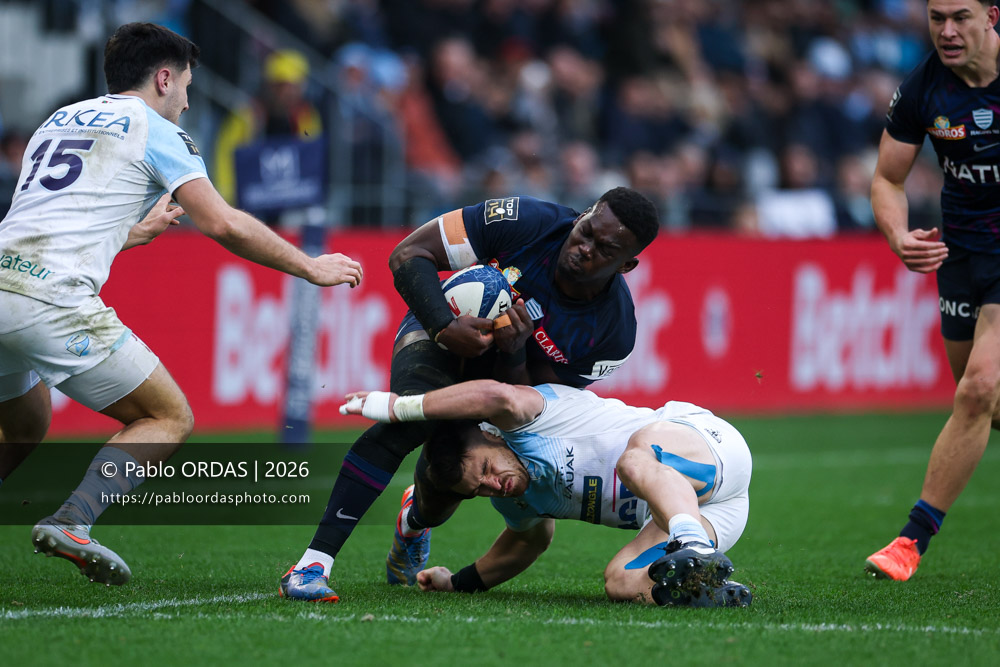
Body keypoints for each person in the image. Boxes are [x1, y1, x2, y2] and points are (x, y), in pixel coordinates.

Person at [0, 23, 362, 587]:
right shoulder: (157, 129)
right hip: (50, 298)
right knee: (168, 417)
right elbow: (222, 223)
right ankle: (73, 520)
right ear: (164, 79)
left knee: (27, 420)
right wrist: (309, 266)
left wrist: (129, 233)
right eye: (187, 86)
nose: (189, 102)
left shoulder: (58, 119)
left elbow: (50, 222)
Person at [280, 187, 659, 602]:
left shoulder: (613, 334)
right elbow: (408, 254)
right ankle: (312, 565)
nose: (585, 248)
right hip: (443, 330)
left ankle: (413, 522)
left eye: (605, 250)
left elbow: (534, 404)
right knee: (408, 425)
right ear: (582, 216)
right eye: (585, 232)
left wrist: (513, 352)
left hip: (509, 384)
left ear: (627, 265)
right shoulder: (524, 221)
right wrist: (444, 326)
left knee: (448, 485)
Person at [339, 379, 753, 608]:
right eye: (478, 490)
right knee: (621, 582)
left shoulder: (532, 420)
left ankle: (694, 547)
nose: (493, 485)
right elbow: (526, 543)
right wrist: (457, 583)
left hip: (709, 450)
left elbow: (497, 395)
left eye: (486, 468)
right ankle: (709, 590)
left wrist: (400, 407)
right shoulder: (515, 498)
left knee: (633, 463)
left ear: (490, 434)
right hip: (717, 512)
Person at [866, 0, 999, 581]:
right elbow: (887, 178)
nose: (947, 30)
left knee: (978, 390)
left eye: (960, 17)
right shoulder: (923, 88)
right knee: (989, 406)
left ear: (991, 16)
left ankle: (910, 540)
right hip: (962, 256)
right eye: (936, 17)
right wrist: (898, 236)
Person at [212, 49, 322, 210]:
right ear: (270, 86)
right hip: (250, 200)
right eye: (282, 86)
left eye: (295, 86)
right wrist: (227, 196)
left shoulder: (306, 115)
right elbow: (225, 154)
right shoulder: (247, 114)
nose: (289, 93)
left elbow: (312, 158)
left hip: (293, 199)